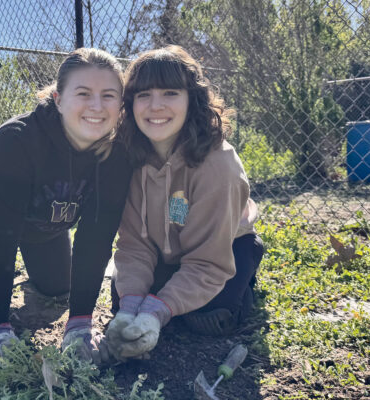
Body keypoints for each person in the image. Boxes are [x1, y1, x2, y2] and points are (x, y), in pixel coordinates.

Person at [0, 48, 133, 369]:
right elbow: (0, 238)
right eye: (83, 93)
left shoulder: (116, 154)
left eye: (108, 95)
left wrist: (80, 323)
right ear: (59, 99)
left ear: (121, 104)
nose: (96, 106)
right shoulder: (16, 141)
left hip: (41, 216)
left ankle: (32, 258)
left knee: (60, 286)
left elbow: (96, 238)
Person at [102, 46, 264, 362]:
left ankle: (246, 275)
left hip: (222, 250)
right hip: (166, 250)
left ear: (192, 100)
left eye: (170, 93)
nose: (156, 106)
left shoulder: (218, 165)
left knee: (210, 318)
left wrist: (157, 312)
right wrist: (134, 305)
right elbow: (134, 244)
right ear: (130, 103)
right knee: (122, 301)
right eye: (144, 94)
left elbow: (206, 261)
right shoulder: (129, 156)